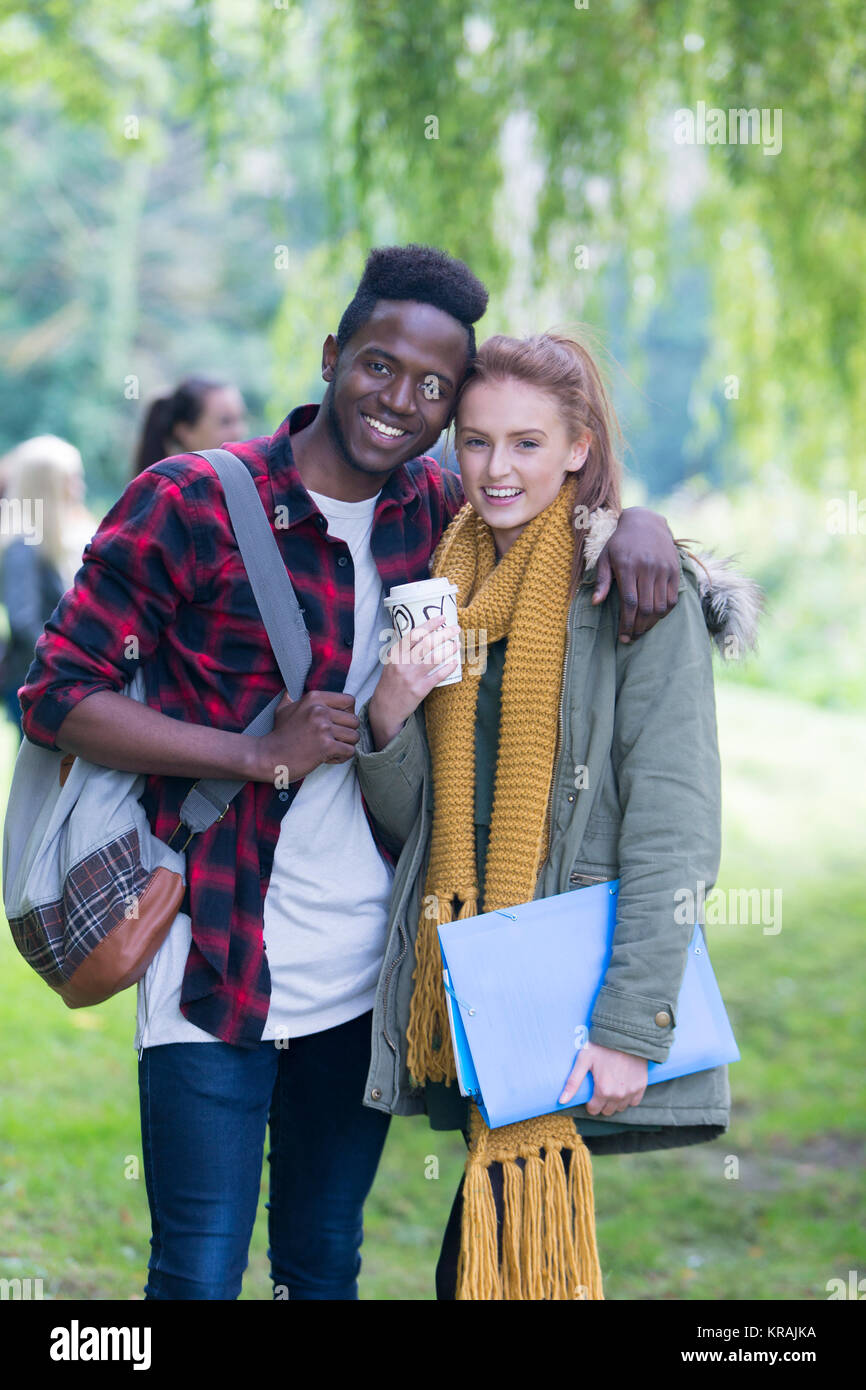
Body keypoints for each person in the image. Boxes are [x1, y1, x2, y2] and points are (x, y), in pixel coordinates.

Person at [18, 247, 684, 1302]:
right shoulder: (190, 500)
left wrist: (633, 520)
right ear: (332, 356)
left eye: (432, 388)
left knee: (322, 1261)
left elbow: (555, 507)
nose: (401, 401)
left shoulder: (443, 516)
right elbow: (56, 693)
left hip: (364, 973)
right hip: (210, 952)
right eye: (379, 366)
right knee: (195, 1268)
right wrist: (251, 752)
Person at [355, 331, 761, 1300]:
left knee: (500, 1255)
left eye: (527, 444)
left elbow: (674, 830)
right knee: (486, 1253)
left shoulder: (633, 589)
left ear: (578, 445)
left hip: (562, 985)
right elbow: (416, 820)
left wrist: (629, 1026)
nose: (496, 469)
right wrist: (388, 713)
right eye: (476, 441)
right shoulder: (442, 584)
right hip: (468, 978)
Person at [0, 435, 95, 737]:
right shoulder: (23, 546)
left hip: (51, 677)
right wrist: (73, 659)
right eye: (72, 479)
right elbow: (23, 620)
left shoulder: (53, 540)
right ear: (48, 485)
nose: (80, 487)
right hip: (34, 680)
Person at [131, 376, 248, 477]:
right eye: (225, 421)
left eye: (241, 418)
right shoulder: (174, 498)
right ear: (185, 433)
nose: (239, 431)